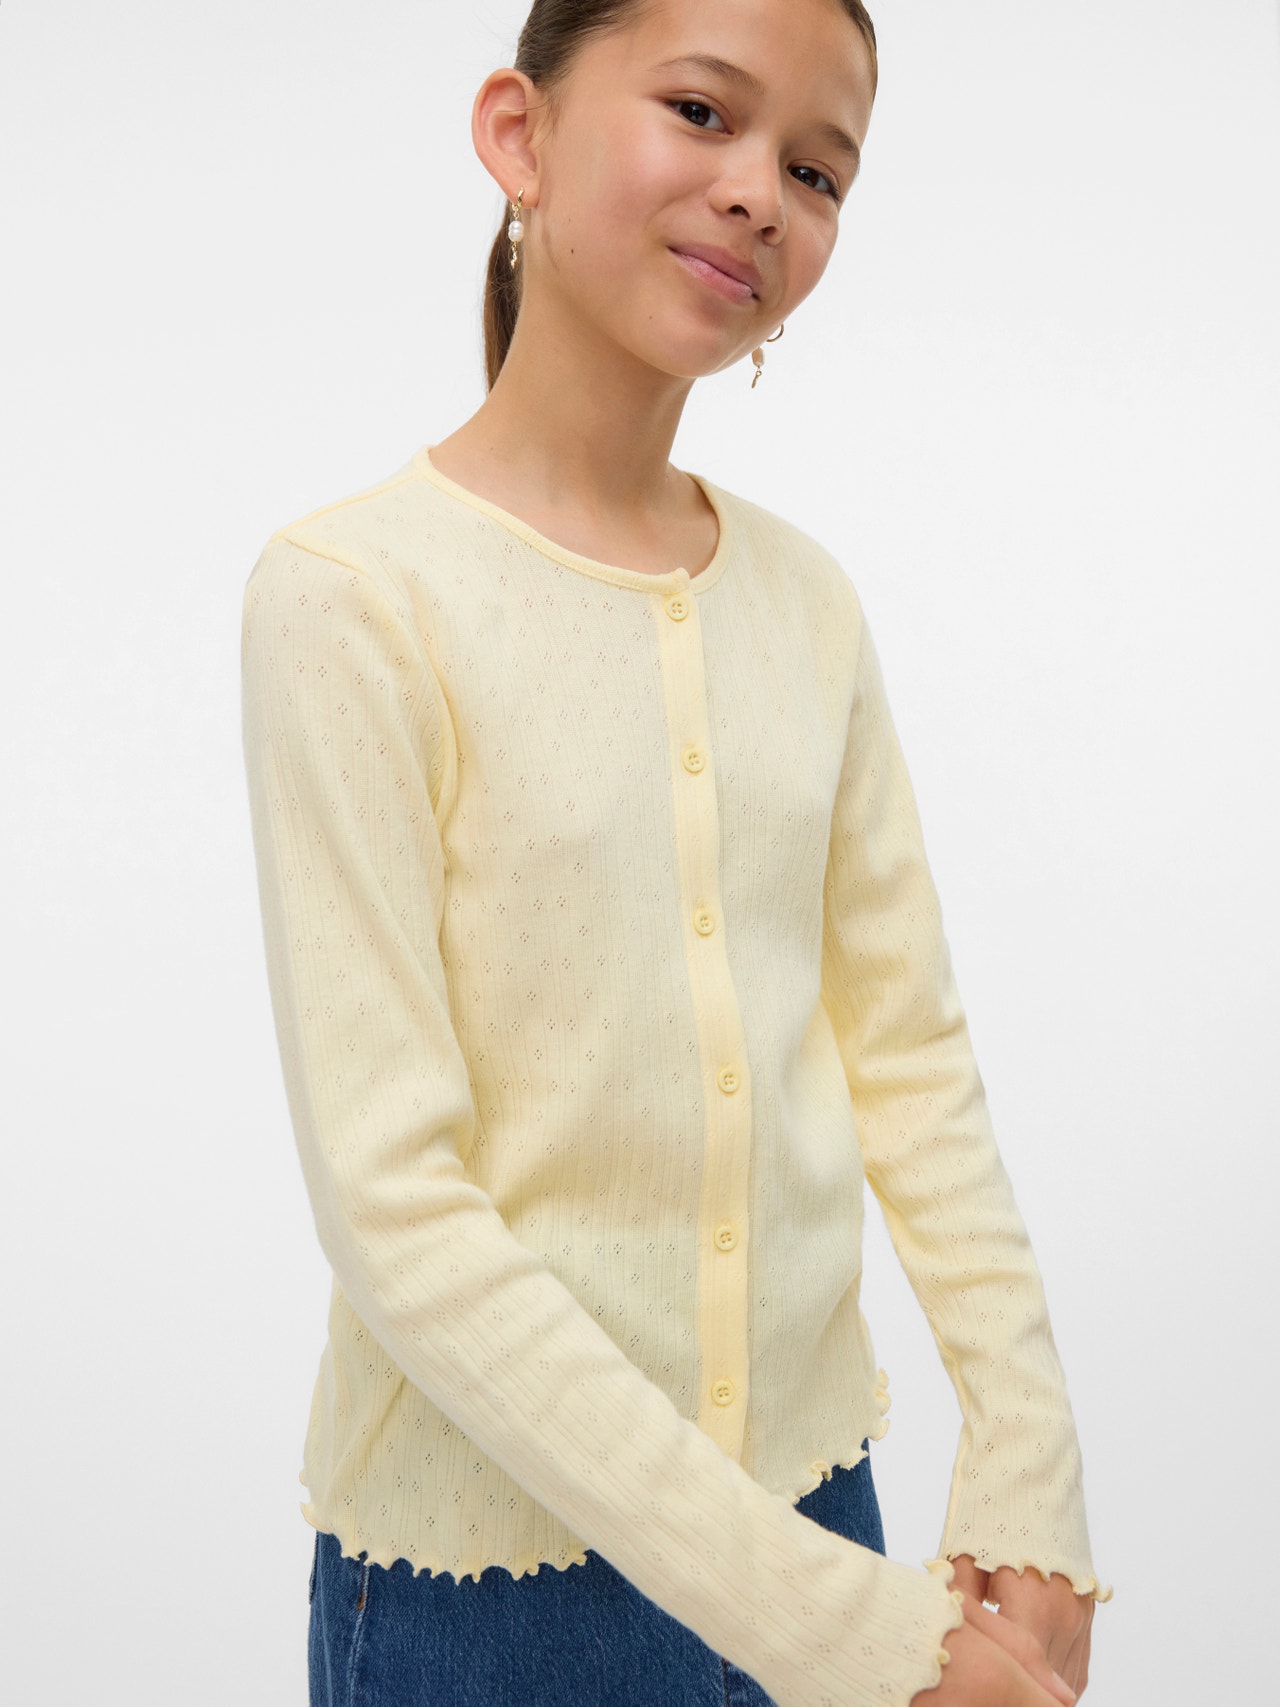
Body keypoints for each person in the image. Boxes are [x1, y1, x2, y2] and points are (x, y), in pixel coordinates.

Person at [239, 2, 1112, 1703]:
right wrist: (839, 1630)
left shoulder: (804, 602)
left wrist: (1031, 1468)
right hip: (493, 1603)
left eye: (818, 170)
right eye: (703, 112)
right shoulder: (351, 601)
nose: (761, 193)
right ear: (519, 135)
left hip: (820, 1509)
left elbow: (911, 1060)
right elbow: (394, 1208)